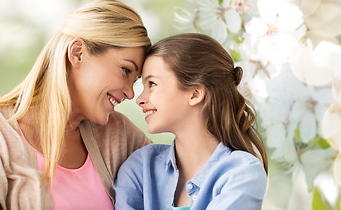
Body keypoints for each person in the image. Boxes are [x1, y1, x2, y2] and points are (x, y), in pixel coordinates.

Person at [0, 0, 152, 209]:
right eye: (126, 70)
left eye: (135, 80)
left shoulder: (121, 135)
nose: (129, 93)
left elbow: (183, 181)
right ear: (77, 53)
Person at [114, 33, 268, 210]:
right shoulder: (140, 167)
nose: (139, 99)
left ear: (195, 94)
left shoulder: (242, 173)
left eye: (152, 84)